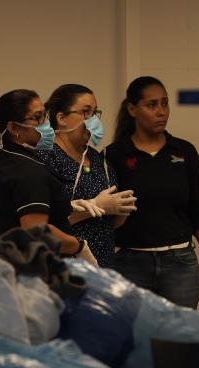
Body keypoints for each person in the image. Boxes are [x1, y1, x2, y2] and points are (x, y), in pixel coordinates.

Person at [106, 76, 199, 309]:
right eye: (152, 105)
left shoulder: (184, 151)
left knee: (179, 340)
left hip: (179, 263)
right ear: (132, 109)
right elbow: (105, 217)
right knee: (135, 338)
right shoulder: (115, 155)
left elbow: (198, 212)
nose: (161, 112)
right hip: (129, 263)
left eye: (165, 103)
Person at [0, 89, 100, 264]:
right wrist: (79, 246)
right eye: (37, 118)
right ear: (13, 128)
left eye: (45, 115)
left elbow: (15, 210)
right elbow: (37, 232)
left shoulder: (9, 158)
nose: (46, 123)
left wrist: (65, 207)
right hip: (34, 270)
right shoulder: (27, 169)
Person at [39, 84, 136, 268]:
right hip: (64, 268)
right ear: (62, 118)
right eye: (86, 112)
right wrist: (96, 206)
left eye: (95, 112)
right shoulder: (46, 157)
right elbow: (42, 224)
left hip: (103, 266)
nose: (93, 121)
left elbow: (110, 221)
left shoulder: (98, 159)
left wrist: (121, 208)